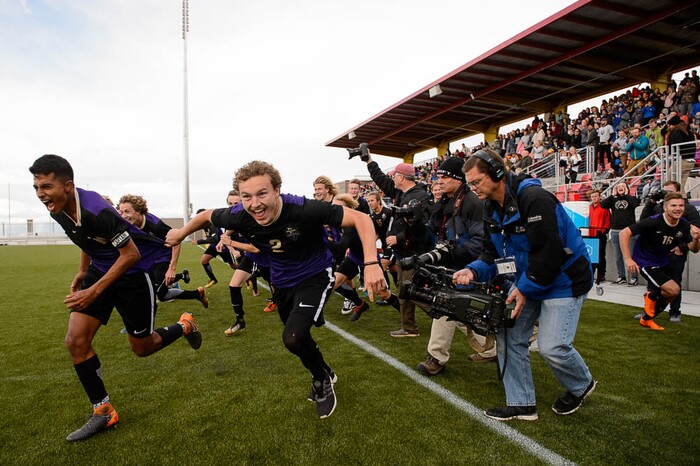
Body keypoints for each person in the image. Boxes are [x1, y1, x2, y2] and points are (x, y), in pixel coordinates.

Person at [165, 160, 385, 419]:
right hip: (281, 281)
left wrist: (371, 263)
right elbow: (204, 216)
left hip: (314, 275)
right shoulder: (238, 214)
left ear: (277, 190)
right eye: (246, 196)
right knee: (296, 339)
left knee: (292, 336)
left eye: (262, 194)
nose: (254, 204)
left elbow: (361, 219)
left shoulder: (303, 208)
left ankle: (320, 380)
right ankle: (325, 369)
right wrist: (180, 233)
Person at [29, 154, 202, 441]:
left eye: (46, 187)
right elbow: (85, 240)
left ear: (68, 186)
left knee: (142, 348)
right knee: (75, 341)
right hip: (100, 272)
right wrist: (83, 274)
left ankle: (185, 325)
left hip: (133, 275)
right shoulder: (56, 209)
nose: (40, 194)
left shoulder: (99, 211)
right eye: (36, 187)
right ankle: (103, 411)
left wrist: (94, 291)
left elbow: (131, 255)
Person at [454, 148, 595, 421]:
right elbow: (491, 254)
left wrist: (524, 287)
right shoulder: (489, 208)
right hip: (527, 279)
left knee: (552, 346)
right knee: (510, 335)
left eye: (476, 182)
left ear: (497, 173)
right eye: (469, 185)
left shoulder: (534, 198)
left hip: (564, 280)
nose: (473, 190)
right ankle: (521, 403)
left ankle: (581, 384)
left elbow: (549, 252)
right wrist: (472, 271)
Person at [416, 157, 496, 377]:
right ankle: (493, 349)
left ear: (457, 179)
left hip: (471, 267)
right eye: (437, 177)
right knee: (460, 312)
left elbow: (480, 242)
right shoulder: (446, 201)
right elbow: (431, 233)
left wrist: (451, 253)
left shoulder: (472, 202)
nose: (438, 181)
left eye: (443, 177)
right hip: (455, 265)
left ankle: (436, 357)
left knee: (444, 306)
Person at [359, 156, 431, 337]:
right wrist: (369, 161)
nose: (391, 179)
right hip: (403, 252)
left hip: (414, 252)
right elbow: (381, 180)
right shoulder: (401, 193)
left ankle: (447, 316)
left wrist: (398, 238)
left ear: (401, 177)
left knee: (413, 292)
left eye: (394, 176)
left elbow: (422, 227)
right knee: (403, 290)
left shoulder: (420, 197)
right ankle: (408, 328)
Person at [620, 192, 700, 330]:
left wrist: (696, 238)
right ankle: (651, 299)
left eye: (681, 205)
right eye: (673, 205)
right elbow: (624, 233)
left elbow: (694, 249)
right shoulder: (654, 221)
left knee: (672, 293)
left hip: (663, 261)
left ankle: (647, 317)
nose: (678, 208)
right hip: (646, 261)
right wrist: (628, 259)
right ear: (665, 207)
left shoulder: (684, 225)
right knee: (673, 289)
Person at [117, 194, 209, 308]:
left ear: (138, 211)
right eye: (121, 212)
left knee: (162, 295)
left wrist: (171, 268)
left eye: (127, 211)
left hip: (162, 258)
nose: (124, 216)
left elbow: (177, 241)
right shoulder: (126, 225)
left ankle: (197, 293)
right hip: (146, 259)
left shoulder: (155, 225)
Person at [331, 194, 401, 321]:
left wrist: (325, 241)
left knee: (383, 293)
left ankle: (406, 315)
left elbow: (341, 248)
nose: (334, 210)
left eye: (338, 207)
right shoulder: (337, 222)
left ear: (348, 209)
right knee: (333, 283)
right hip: (353, 258)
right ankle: (360, 304)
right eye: (333, 207)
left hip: (369, 261)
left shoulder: (350, 224)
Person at [638, 180, 700, 323]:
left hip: (676, 253)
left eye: (669, 192)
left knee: (675, 282)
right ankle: (649, 311)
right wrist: (651, 201)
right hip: (657, 253)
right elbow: (643, 221)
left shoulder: (688, 209)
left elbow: (695, 231)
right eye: (664, 192)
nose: (666, 194)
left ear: (678, 192)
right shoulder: (659, 206)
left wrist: (682, 247)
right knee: (653, 283)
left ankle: (674, 312)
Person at [601, 182, 640, 286]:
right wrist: (612, 195)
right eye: (618, 187)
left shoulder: (631, 198)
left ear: (627, 188)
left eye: (623, 186)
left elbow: (635, 203)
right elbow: (603, 205)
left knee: (631, 255)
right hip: (615, 231)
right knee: (617, 255)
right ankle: (621, 276)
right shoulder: (613, 199)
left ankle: (633, 277)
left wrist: (626, 195)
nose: (620, 188)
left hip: (629, 231)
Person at [196, 207, 236, 288]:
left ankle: (249, 276)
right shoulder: (205, 225)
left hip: (223, 247)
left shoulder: (212, 224)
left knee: (233, 265)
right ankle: (213, 279)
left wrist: (199, 241)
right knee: (204, 260)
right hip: (214, 247)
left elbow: (216, 238)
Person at [588, 190, 610, 284]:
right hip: (590, 235)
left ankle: (601, 275)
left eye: (596, 196)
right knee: (591, 255)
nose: (594, 198)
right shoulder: (589, 208)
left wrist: (604, 230)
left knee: (601, 256)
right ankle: (591, 274)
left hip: (600, 234)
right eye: (592, 197)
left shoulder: (604, 207)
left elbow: (608, 221)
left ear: (599, 197)